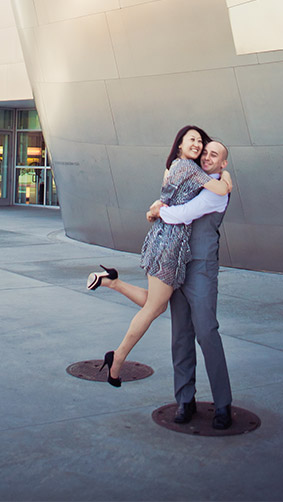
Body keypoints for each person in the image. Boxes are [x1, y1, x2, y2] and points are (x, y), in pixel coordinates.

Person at [91, 139, 234, 427]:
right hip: (176, 264)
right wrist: (157, 203)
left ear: (223, 163)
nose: (206, 157)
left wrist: (158, 210)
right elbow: (171, 185)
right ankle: (184, 400)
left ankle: (223, 405)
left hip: (201, 269)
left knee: (206, 332)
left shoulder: (217, 192)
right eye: (205, 152)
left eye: (214, 154)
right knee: (180, 335)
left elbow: (182, 214)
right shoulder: (197, 180)